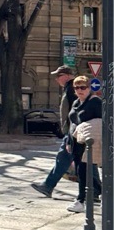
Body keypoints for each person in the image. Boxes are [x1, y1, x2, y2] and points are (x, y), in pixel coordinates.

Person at [31, 66, 77, 197]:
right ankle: (96, 190)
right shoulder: (69, 88)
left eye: (59, 76)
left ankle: (48, 185)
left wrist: (70, 132)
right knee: (81, 161)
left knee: (64, 158)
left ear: (67, 75)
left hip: (73, 131)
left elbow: (74, 112)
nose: (56, 79)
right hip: (74, 130)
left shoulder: (72, 88)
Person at [67, 75, 102, 213]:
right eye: (76, 88)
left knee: (85, 171)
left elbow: (101, 122)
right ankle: (89, 197)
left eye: (83, 87)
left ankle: (82, 200)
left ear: (89, 88)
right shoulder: (76, 102)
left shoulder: (95, 102)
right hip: (76, 142)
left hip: (90, 143)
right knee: (82, 172)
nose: (79, 90)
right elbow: (72, 123)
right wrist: (68, 141)